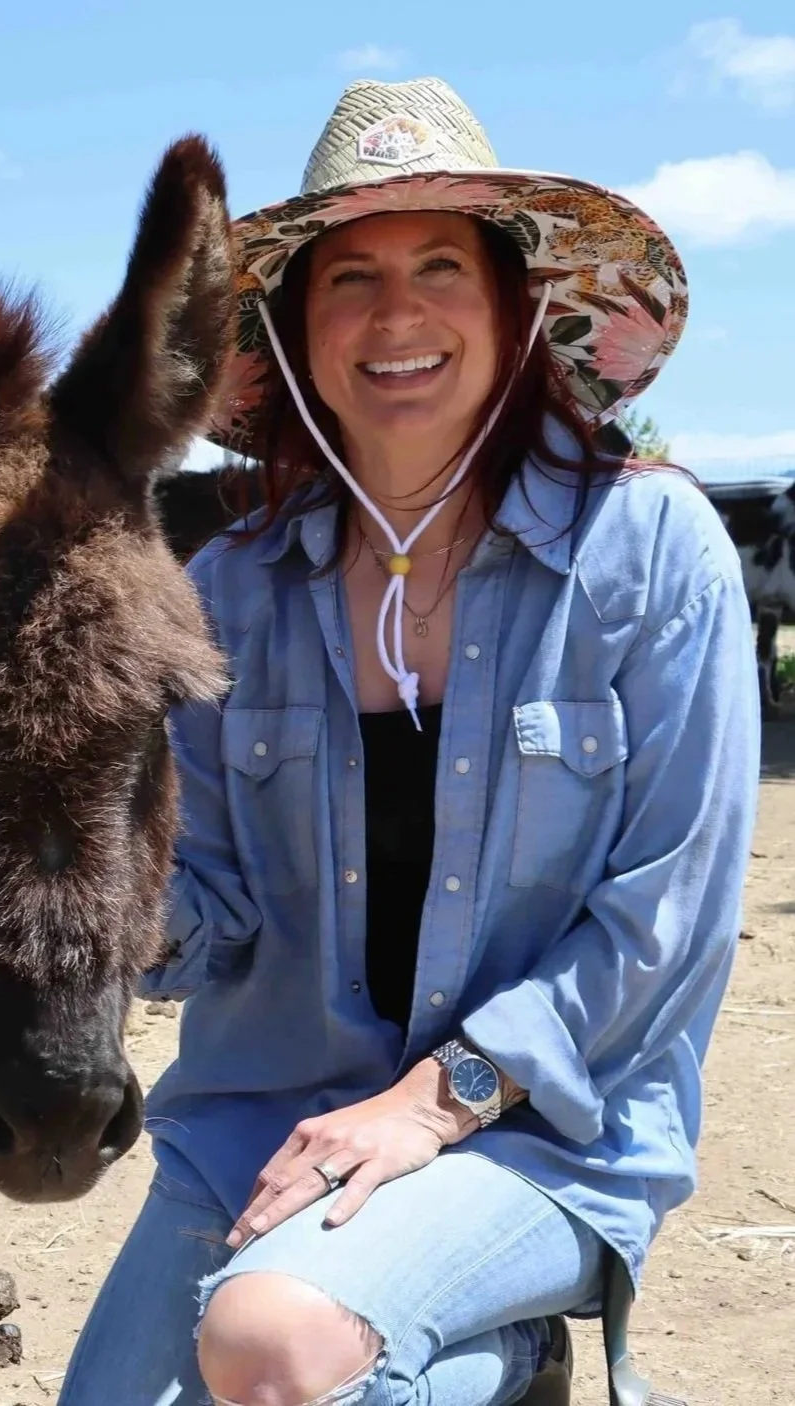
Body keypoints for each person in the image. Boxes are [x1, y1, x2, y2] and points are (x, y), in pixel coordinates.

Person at [57, 76, 759, 1406]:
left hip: (541, 1135)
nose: (394, 315)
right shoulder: (234, 590)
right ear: (293, 325)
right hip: (263, 1131)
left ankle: (469, 1337)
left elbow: (660, 921)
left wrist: (428, 1101)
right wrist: (68, 878)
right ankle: (489, 1357)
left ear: (514, 307)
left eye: (440, 265)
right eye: (347, 278)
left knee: (275, 1351)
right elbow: (206, 914)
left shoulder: (650, 552)